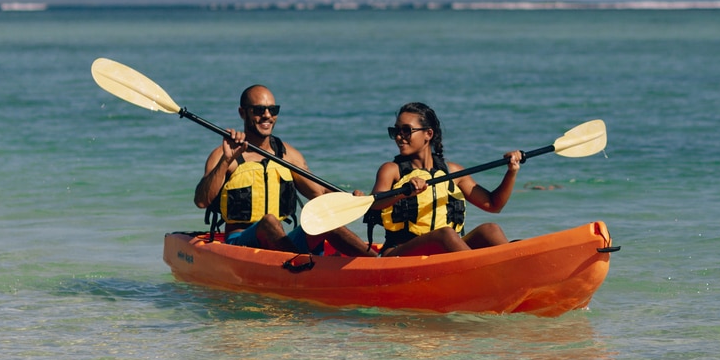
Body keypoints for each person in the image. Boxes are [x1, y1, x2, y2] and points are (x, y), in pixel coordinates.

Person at [194, 85, 375, 257]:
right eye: (259, 110)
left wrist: (352, 200)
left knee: (324, 217)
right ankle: (303, 265)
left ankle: (378, 262)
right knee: (269, 221)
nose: (267, 116)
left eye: (273, 110)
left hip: (279, 242)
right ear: (242, 112)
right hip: (239, 243)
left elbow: (319, 193)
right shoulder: (224, 154)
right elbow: (202, 201)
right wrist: (227, 160)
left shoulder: (288, 155)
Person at [367, 102, 520, 257]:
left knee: (490, 230)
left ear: (428, 134)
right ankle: (481, 271)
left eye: (406, 130)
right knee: (445, 234)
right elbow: (374, 202)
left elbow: (493, 205)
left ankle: (514, 264)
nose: (399, 137)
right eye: (396, 131)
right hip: (399, 253)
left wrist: (511, 172)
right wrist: (404, 193)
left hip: (445, 252)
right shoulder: (392, 170)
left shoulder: (453, 172)